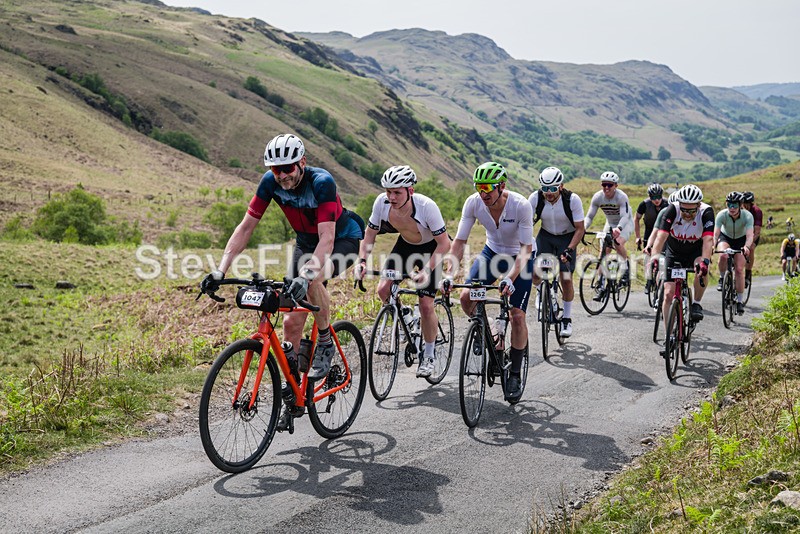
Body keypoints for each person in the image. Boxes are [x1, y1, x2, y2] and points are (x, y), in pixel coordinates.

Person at [201, 133, 364, 386]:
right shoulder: (270, 182)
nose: (282, 175)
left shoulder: (322, 182)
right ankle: (294, 388)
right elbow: (245, 228)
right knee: (290, 319)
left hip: (342, 240)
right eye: (276, 169)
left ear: (302, 162)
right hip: (306, 244)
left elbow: (327, 238)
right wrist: (220, 270)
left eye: (287, 168)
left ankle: (324, 341)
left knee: (312, 280)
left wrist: (307, 274)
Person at [442, 161, 534, 402]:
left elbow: (526, 248)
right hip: (491, 253)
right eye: (478, 188)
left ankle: (514, 373)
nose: (482, 194)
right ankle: (489, 329)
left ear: (501, 186)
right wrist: (450, 274)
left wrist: (510, 279)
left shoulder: (520, 206)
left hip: (518, 257)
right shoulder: (474, 203)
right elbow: (459, 242)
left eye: (487, 188)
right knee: (466, 298)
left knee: (517, 315)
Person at [354, 165, 451, 377]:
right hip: (405, 246)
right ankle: (406, 315)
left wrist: (427, 270)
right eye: (389, 191)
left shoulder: (427, 207)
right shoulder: (381, 203)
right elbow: (369, 235)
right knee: (383, 290)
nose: (392, 197)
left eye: (397, 192)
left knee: (426, 305)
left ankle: (429, 355)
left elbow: (445, 244)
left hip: (431, 249)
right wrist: (361, 262)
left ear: (410, 191)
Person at [648, 184, 714, 347]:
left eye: (691, 211)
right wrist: (655, 257)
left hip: (695, 250)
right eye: (684, 210)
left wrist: (705, 262)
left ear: (698, 205)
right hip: (674, 250)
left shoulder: (706, 212)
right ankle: (669, 335)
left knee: (703, 271)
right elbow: (661, 237)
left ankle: (696, 303)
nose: (687, 214)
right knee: (668, 294)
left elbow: (708, 241)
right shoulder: (672, 210)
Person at [528, 166, 585, 337]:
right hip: (545, 236)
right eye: (545, 189)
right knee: (535, 272)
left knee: (565, 278)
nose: (549, 193)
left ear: (561, 186)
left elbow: (580, 229)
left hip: (567, 239)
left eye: (553, 188)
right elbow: (525, 223)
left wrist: (569, 250)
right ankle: (541, 292)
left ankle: (566, 318)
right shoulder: (535, 198)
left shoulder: (572, 200)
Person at [584, 172, 634, 289]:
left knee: (618, 242)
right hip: (610, 223)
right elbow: (589, 217)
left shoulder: (621, 197)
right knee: (603, 251)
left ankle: (625, 268)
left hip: (624, 223)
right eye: (604, 184)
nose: (606, 188)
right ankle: (600, 283)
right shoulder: (597, 197)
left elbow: (625, 216)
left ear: (616, 185)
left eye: (610, 185)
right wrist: (583, 228)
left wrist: (619, 228)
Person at [714, 191, 754, 315]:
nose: (731, 208)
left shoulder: (747, 216)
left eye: (735, 205)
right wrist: (712, 245)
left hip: (741, 240)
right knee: (723, 255)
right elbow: (715, 234)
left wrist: (747, 247)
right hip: (726, 237)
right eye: (729, 205)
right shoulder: (722, 215)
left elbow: (749, 235)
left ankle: (740, 301)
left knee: (739, 269)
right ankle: (722, 278)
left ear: (740, 205)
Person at [635, 183, 668, 294]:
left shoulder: (668, 204)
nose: (657, 200)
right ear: (650, 197)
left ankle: (663, 278)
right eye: (653, 198)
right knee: (648, 255)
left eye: (659, 197)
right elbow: (636, 219)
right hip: (650, 231)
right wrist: (637, 236)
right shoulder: (644, 204)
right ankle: (649, 281)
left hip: (664, 232)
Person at [740, 191, 762, 287]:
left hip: (753, 235)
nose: (746, 206)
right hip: (741, 234)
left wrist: (748, 244)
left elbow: (757, 232)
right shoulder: (738, 210)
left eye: (748, 204)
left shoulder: (757, 211)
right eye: (744, 204)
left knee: (751, 248)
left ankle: (748, 273)